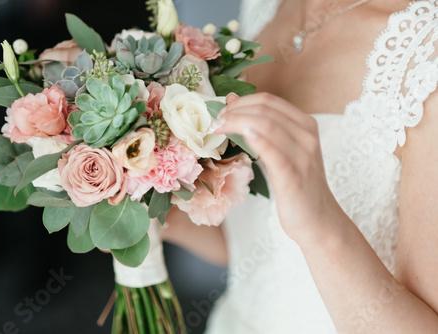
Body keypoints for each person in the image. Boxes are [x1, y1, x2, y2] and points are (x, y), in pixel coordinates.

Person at [163, 0, 438, 332]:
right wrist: (170, 218)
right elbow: (263, 252)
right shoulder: (265, 7)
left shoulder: (427, 59)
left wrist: (319, 226)